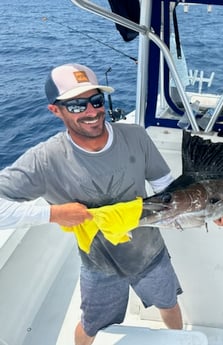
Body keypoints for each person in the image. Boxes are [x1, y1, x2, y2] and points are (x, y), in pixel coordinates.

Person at [0, 63, 185, 345]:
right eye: (76, 105)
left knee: (169, 304)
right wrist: (53, 213)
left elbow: (168, 190)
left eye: (96, 100)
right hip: (99, 266)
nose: (91, 111)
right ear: (55, 110)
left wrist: (212, 210)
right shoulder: (45, 158)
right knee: (90, 326)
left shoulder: (135, 136)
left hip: (150, 253)